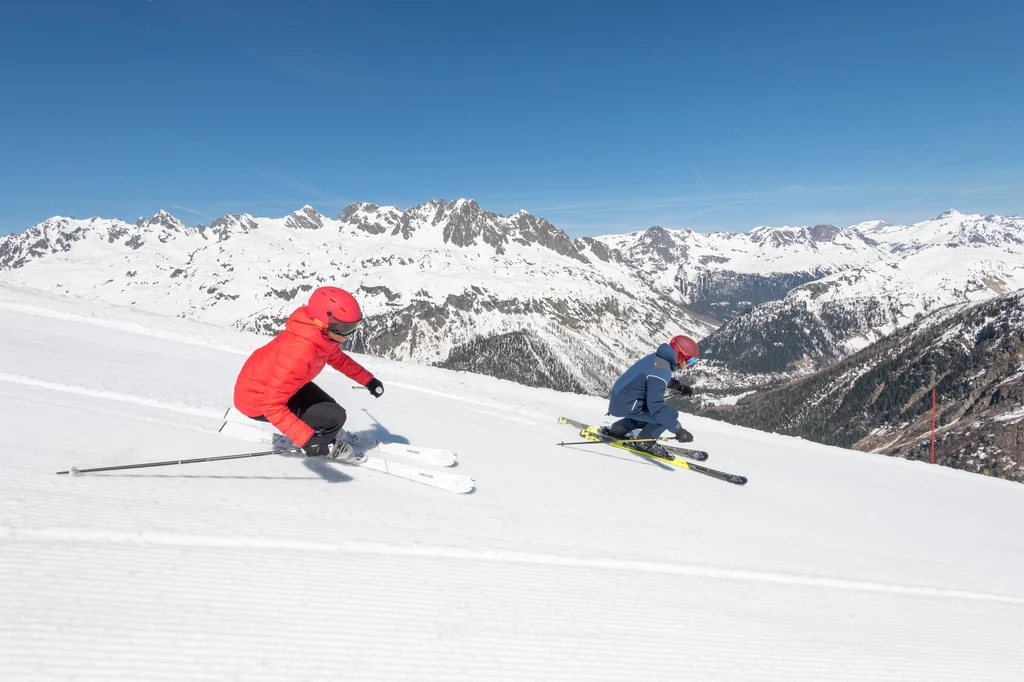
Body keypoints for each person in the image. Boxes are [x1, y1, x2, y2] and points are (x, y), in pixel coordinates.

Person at [233, 286, 384, 462]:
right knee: (335, 417)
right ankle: (329, 445)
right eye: (342, 328)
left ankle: (326, 431)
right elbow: (271, 405)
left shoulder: (320, 336)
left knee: (329, 407)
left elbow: (338, 359)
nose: (348, 335)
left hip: (281, 386)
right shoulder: (300, 351)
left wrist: (368, 380)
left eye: (352, 327)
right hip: (256, 401)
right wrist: (306, 439)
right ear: (322, 322)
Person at [601, 335, 699, 456]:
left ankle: (617, 430)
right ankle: (645, 443)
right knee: (667, 415)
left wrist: (678, 387)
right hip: (627, 404)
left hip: (621, 401)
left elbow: (654, 377)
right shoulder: (662, 369)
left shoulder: (658, 359)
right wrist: (678, 430)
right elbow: (656, 407)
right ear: (680, 356)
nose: (688, 363)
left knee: (648, 415)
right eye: (689, 360)